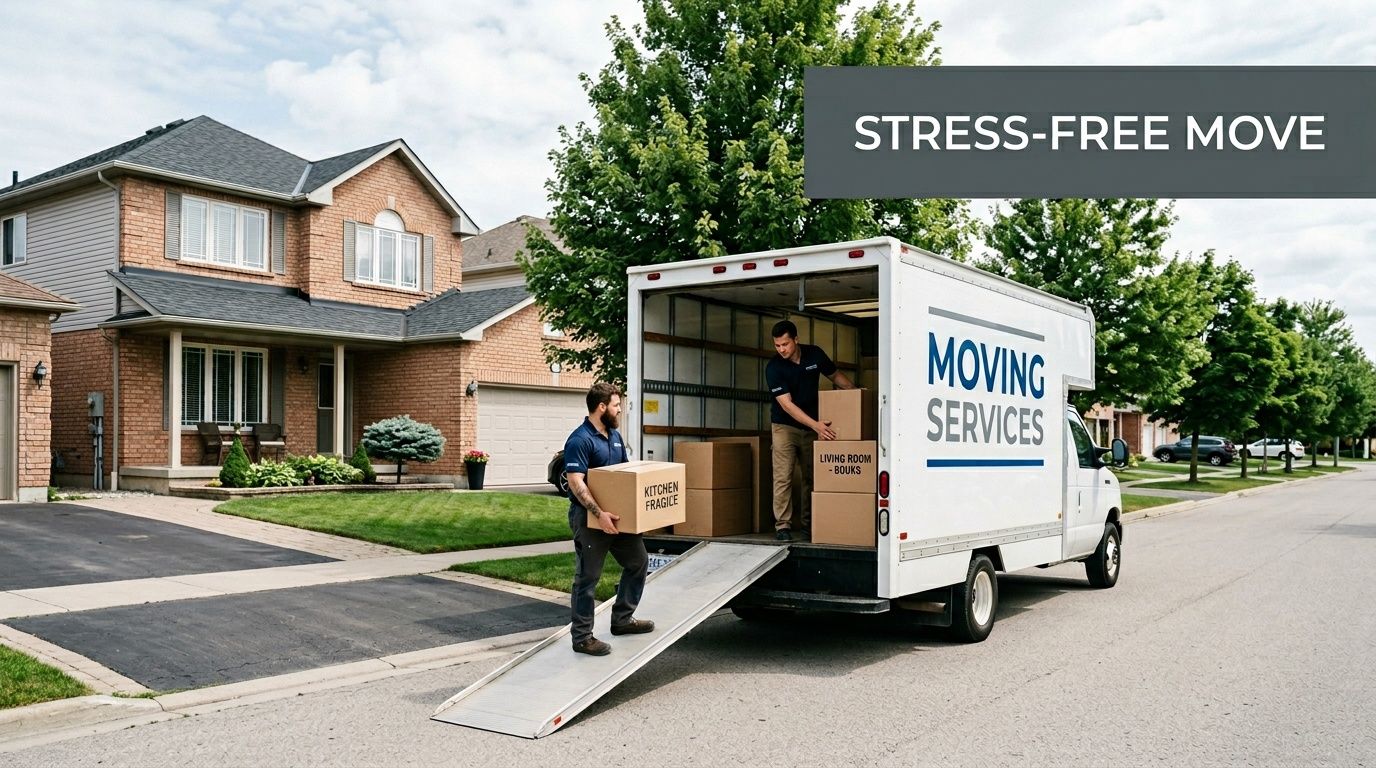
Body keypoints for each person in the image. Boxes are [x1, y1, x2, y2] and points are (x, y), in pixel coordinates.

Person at [562, 382, 654, 656]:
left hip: (617, 517)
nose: (619, 410)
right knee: (587, 578)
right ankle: (582, 638)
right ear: (602, 407)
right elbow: (576, 482)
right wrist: (598, 514)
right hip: (590, 519)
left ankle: (622, 619)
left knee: (638, 562)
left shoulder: (614, 436)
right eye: (616, 405)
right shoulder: (580, 439)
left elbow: (623, 476)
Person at [765, 320, 856, 541]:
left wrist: (856, 394)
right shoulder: (774, 367)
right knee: (783, 477)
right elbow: (787, 405)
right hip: (784, 427)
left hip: (811, 427)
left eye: (785, 344)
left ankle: (809, 525)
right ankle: (783, 526)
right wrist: (816, 426)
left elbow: (835, 376)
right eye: (777, 345)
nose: (781, 349)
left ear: (796, 339)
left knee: (811, 478)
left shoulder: (814, 355)